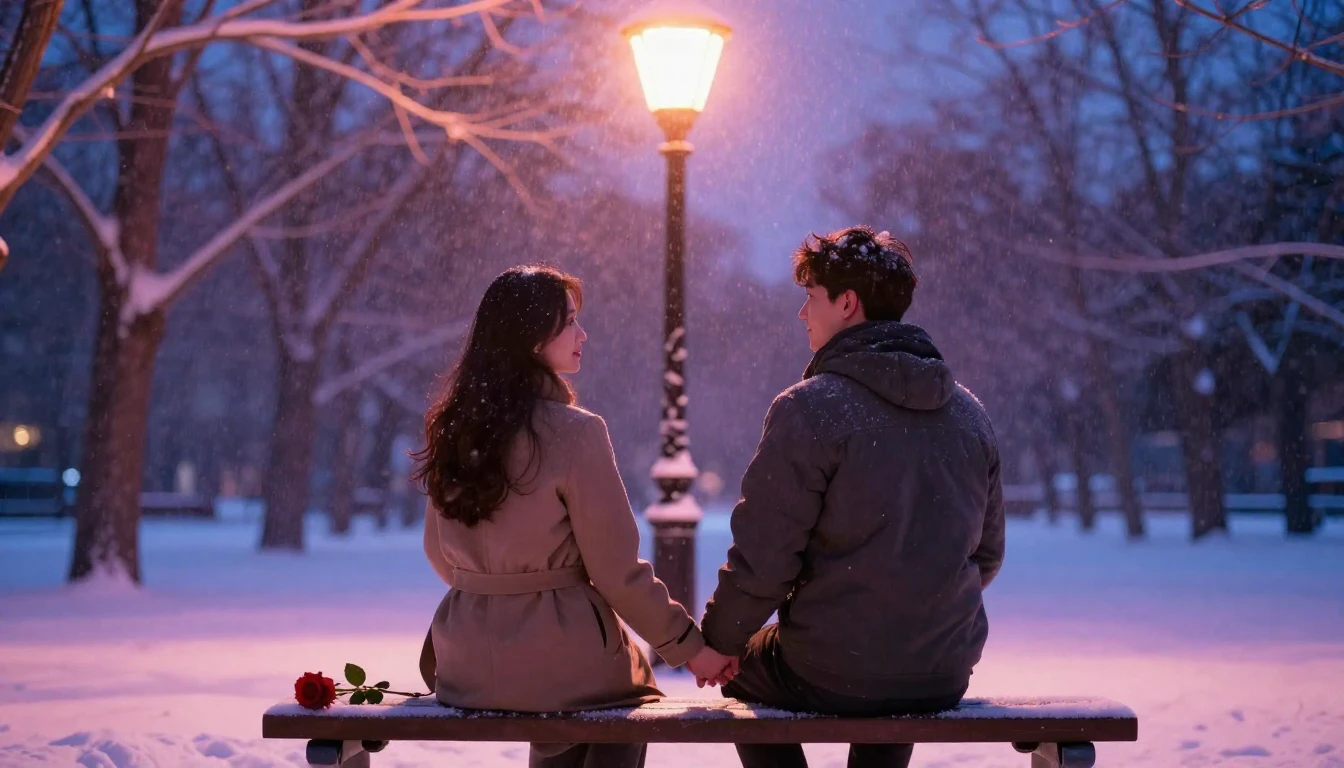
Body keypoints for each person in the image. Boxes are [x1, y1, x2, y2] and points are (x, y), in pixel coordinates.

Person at [698, 227, 1006, 768]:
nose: (802, 314)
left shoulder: (810, 409)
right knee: (887, 679)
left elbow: (765, 558)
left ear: (847, 303)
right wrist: (916, 608)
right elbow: (986, 555)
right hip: (942, 669)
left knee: (747, 669)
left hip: (830, 666)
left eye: (810, 297)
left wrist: (720, 643)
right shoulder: (969, 414)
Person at [414, 266, 734, 768]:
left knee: (572, 708)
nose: (582, 334)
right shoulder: (575, 433)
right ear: (533, 337)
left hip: (463, 665)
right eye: (569, 322)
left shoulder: (454, 427)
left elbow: (439, 554)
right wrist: (690, 648)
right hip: (563, 661)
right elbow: (616, 572)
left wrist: (494, 588)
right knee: (628, 700)